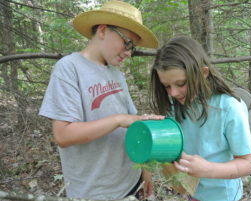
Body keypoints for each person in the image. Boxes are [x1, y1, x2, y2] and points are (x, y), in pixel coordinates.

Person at [39, 0, 164, 200]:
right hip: (96, 192)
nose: (128, 52)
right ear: (103, 30)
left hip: (131, 182)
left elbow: (132, 123)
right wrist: (117, 120)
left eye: (132, 47)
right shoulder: (69, 69)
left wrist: (145, 168)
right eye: (127, 42)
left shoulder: (116, 74)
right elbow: (63, 136)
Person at [149, 36, 251, 201]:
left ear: (203, 73)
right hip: (194, 193)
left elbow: (247, 164)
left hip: (224, 196)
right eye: (167, 86)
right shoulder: (174, 106)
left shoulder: (228, 107)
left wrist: (207, 169)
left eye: (181, 83)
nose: (173, 93)